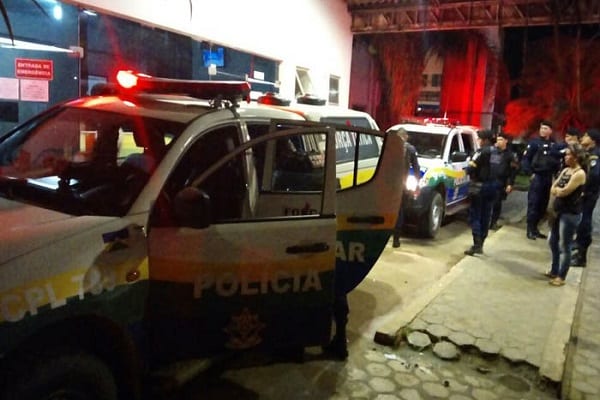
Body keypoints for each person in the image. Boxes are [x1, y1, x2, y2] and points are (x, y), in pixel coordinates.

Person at [546, 143, 587, 286]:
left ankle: (561, 276)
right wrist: (557, 190)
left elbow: (564, 191)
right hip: (558, 211)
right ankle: (554, 269)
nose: (566, 157)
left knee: (565, 245)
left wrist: (558, 191)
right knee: (552, 240)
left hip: (570, 214)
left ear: (576, 157)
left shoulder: (579, 174)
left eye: (569, 154)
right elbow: (553, 187)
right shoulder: (566, 170)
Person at [521, 120, 563, 240]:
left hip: (548, 177)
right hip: (537, 176)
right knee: (534, 203)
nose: (542, 131)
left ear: (550, 131)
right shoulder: (534, 143)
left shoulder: (554, 144)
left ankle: (535, 228)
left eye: (545, 128)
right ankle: (530, 229)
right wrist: (530, 173)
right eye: (541, 128)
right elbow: (526, 159)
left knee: (543, 204)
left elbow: (557, 160)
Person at [464, 129, 499, 256]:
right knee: (486, 215)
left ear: (485, 140)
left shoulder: (481, 152)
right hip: (493, 185)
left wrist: (468, 166)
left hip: (480, 186)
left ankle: (476, 244)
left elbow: (470, 168)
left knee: (475, 215)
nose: (478, 141)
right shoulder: (496, 152)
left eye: (479, 138)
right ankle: (481, 243)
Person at [571, 128, 600, 267]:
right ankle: (578, 248)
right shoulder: (587, 153)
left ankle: (581, 256)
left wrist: (583, 189)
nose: (583, 137)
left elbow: (594, 175)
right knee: (580, 222)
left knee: (584, 223)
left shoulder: (595, 156)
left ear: (593, 140)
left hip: (588, 194)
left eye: (586, 136)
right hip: (584, 193)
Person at [392, 128, 420, 248]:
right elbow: (416, 167)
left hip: (389, 184)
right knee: (400, 210)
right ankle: (396, 239)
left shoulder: (390, 147)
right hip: (402, 185)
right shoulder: (410, 149)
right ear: (406, 136)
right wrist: (417, 183)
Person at [489, 132, 519, 230]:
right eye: (498, 140)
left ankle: (493, 222)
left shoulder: (510, 155)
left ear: (506, 141)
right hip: (489, 180)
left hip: (500, 182)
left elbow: (513, 171)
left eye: (501, 140)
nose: (499, 142)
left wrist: (510, 184)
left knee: (497, 203)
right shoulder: (492, 151)